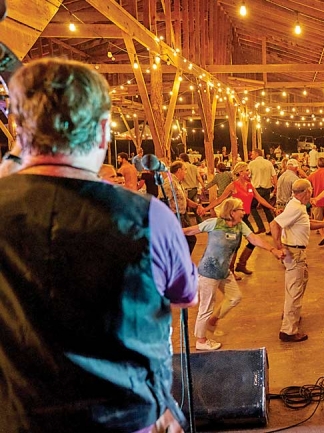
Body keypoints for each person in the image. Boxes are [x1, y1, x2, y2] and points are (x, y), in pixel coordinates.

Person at [0, 58, 198, 432]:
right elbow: (186, 297)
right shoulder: (149, 217)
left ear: (18, 127)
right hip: (129, 418)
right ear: (104, 131)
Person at [184, 198, 283, 351]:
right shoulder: (214, 223)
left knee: (235, 297)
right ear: (232, 212)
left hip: (224, 271)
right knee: (206, 307)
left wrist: (272, 250)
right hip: (209, 272)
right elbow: (191, 230)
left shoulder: (240, 226)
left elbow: (254, 239)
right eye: (241, 210)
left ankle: (213, 320)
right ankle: (201, 340)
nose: (244, 212)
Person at [270, 179, 324, 342]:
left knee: (299, 282)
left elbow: (306, 223)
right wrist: (279, 247)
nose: (312, 193)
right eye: (311, 190)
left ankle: (290, 314)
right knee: (295, 288)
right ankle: (288, 330)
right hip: (294, 252)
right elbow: (274, 225)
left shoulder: (297, 207)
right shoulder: (295, 207)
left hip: (297, 252)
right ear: (306, 192)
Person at [200, 162, 277, 278]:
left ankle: (240, 264)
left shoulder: (250, 185)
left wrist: (273, 208)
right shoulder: (233, 186)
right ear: (240, 173)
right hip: (235, 218)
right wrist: (206, 209)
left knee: (247, 242)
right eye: (246, 170)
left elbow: (260, 198)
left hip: (245, 217)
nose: (249, 173)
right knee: (237, 244)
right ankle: (232, 269)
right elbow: (220, 199)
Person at [159, 161, 200, 253]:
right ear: (179, 170)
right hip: (173, 217)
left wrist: (197, 206)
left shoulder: (178, 182)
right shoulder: (170, 183)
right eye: (185, 170)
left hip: (181, 217)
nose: (186, 172)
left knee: (190, 240)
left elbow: (184, 199)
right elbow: (162, 200)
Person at [248, 148, 277, 234]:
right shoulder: (268, 163)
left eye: (252, 154)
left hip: (256, 189)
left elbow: (248, 176)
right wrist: (276, 187)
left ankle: (261, 226)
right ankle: (273, 228)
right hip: (267, 188)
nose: (251, 156)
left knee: (252, 207)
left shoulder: (252, 164)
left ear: (257, 154)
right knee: (266, 208)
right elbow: (274, 175)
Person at [308, 157, 324, 243]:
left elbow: (307, 184)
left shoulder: (313, 174)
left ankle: (323, 236)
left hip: (317, 200)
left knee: (318, 220)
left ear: (317, 164)